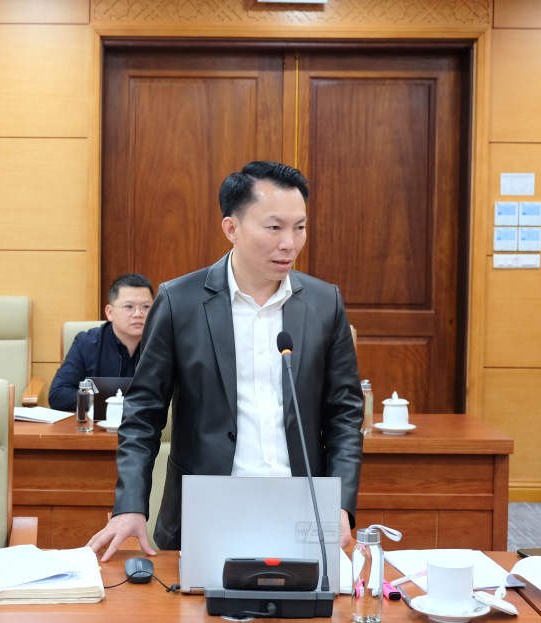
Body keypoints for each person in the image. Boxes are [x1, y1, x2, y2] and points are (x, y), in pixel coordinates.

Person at [87, 161, 364, 560]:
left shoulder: (325, 303)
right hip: (205, 511)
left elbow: (345, 413)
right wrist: (130, 504)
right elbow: (143, 412)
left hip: (302, 510)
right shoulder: (179, 301)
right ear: (231, 228)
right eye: (274, 227)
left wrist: (340, 503)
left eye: (300, 227)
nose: (290, 243)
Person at [47, 274, 155, 411]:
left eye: (146, 307)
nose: (138, 314)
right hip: (98, 423)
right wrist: (108, 402)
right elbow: (58, 394)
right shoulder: (86, 343)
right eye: (129, 307)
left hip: (144, 423)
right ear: (110, 312)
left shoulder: (162, 345)